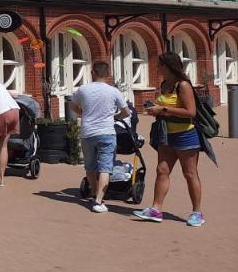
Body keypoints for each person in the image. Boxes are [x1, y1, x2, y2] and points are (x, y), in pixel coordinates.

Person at [134, 51, 204, 226]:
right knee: (162, 170)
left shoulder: (183, 85)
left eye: (159, 65)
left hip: (186, 134)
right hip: (167, 134)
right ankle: (156, 209)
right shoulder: (165, 84)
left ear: (168, 66)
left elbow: (190, 112)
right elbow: (164, 107)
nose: (157, 68)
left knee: (189, 174)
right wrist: (154, 111)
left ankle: (197, 213)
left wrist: (163, 109)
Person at [68, 60, 131, 213]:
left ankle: (94, 192)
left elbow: (72, 105)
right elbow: (126, 112)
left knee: (90, 166)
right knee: (105, 167)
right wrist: (115, 116)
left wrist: (82, 113)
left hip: (88, 132)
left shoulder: (83, 89)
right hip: (107, 132)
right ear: (108, 74)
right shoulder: (113, 91)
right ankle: (98, 200)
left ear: (92, 73)